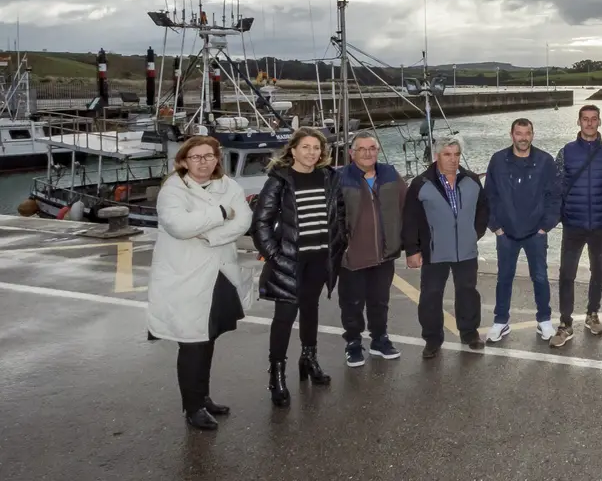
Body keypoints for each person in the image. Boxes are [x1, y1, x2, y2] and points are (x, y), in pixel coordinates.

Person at [147, 135, 252, 431]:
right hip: (186, 277)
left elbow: (243, 220)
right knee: (192, 343)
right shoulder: (172, 190)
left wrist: (208, 233)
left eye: (209, 156)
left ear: (217, 159)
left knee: (208, 339)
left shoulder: (229, 186)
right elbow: (179, 226)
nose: (203, 162)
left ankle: (203, 397)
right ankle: (192, 407)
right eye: (196, 157)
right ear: (183, 161)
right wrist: (220, 213)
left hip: (218, 274)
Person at [250, 127, 347, 409]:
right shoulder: (279, 180)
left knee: (311, 309)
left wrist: (340, 241)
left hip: (320, 257)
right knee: (284, 316)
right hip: (289, 260)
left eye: (316, 148)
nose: (311, 153)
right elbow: (261, 224)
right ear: (293, 150)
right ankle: (277, 374)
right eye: (305, 147)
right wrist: (275, 257)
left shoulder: (330, 177)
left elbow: (339, 214)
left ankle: (309, 358)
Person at [403, 137, 489, 356]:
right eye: (447, 154)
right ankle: (432, 339)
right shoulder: (421, 183)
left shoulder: (471, 180)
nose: (453, 159)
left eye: (456, 154)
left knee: (467, 292)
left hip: (466, 251)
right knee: (431, 295)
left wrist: (473, 234)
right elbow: (410, 219)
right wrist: (412, 250)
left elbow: (483, 211)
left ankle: (469, 333)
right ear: (436, 156)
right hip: (435, 251)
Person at [485, 118, 561, 343]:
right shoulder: (498, 160)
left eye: (527, 133)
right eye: (519, 133)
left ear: (533, 135)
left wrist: (545, 226)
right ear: (511, 135)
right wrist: (495, 227)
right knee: (504, 277)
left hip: (535, 233)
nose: (523, 138)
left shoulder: (545, 161)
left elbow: (555, 197)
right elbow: (488, 195)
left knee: (540, 276)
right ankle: (500, 321)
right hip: (506, 233)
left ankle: (544, 320)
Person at [337, 130, 408, 368]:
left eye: (372, 148)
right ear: (351, 153)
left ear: (377, 151)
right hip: (352, 257)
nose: (368, 153)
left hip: (384, 255)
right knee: (352, 303)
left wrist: (410, 244)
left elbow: (407, 206)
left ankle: (379, 339)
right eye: (362, 149)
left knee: (380, 301)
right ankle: (354, 343)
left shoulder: (389, 174)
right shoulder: (340, 178)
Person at [550, 105, 602, 347]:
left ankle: (592, 314)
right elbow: (557, 187)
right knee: (567, 273)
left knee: (599, 270)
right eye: (585, 119)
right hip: (573, 223)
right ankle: (565, 323)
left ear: (599, 123)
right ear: (579, 122)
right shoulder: (566, 152)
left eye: (594, 119)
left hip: (601, 222)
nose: (589, 123)